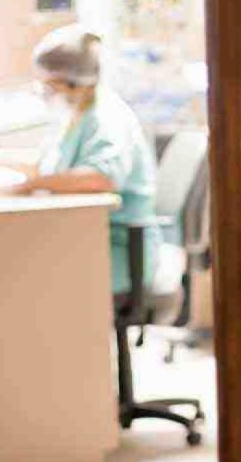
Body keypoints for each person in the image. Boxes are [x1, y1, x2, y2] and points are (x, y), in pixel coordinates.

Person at [15, 24, 161, 298]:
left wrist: (29, 185)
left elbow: (100, 178)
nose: (45, 92)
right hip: (86, 240)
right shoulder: (78, 113)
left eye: (50, 84)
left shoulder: (107, 118)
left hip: (119, 251)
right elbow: (52, 164)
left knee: (25, 278)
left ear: (74, 82)